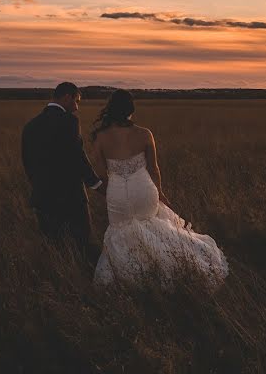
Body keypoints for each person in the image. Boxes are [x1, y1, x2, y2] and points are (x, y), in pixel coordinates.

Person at [90, 89, 228, 290]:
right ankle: (169, 268)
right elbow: (154, 169)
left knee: (121, 231)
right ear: (131, 109)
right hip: (143, 189)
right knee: (153, 225)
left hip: (117, 192)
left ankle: (132, 277)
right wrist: (160, 192)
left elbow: (102, 174)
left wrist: (116, 186)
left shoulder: (101, 138)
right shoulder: (145, 134)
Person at [21, 82, 104, 260]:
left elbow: (27, 163)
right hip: (70, 197)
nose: (76, 107)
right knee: (84, 243)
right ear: (67, 97)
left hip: (42, 197)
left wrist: (38, 185)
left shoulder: (30, 126)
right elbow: (77, 156)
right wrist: (96, 184)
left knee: (54, 247)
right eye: (76, 101)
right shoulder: (69, 121)